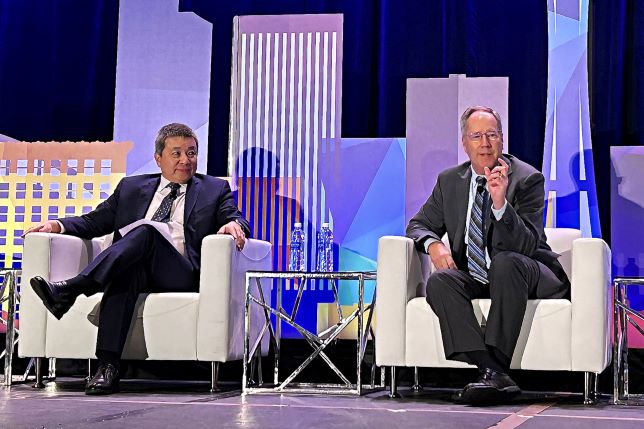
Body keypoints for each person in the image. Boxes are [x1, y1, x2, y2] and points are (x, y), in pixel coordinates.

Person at [24, 123, 250, 395]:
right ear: (158, 158)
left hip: (179, 272)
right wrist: (57, 226)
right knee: (125, 272)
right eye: (176, 153)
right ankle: (107, 368)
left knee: (147, 231)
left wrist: (234, 225)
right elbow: (95, 222)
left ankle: (73, 288)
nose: (185, 160)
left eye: (191, 153)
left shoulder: (213, 189)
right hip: (135, 267)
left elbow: (233, 216)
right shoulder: (132, 187)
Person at [406, 106, 570, 405]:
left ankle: (493, 371)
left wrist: (499, 205)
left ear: (502, 140)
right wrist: (434, 244)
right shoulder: (450, 181)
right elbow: (418, 225)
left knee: (506, 263)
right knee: (441, 282)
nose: (485, 143)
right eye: (477, 136)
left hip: (529, 273)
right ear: (464, 143)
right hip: (477, 275)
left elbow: (528, 245)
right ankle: (492, 371)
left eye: (492, 135)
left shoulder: (527, 179)